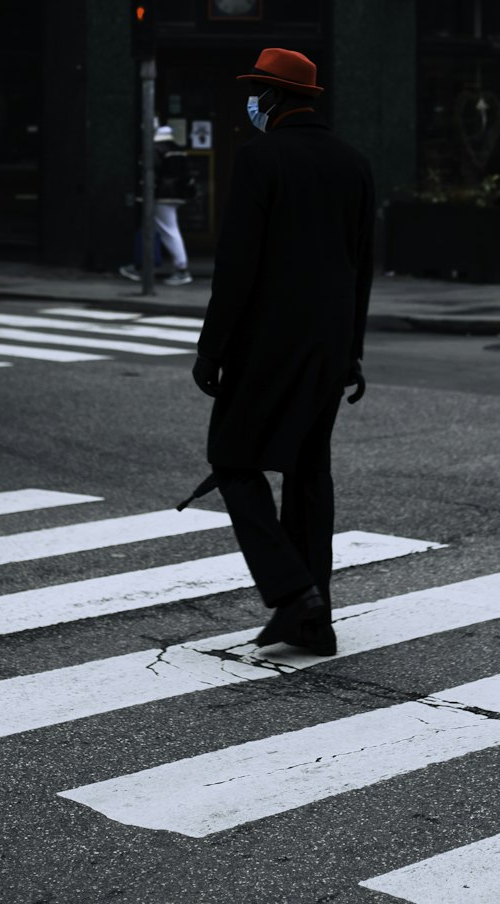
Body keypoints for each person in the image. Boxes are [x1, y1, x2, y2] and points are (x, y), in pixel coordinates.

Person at [181, 47, 375, 657]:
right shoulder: (354, 163)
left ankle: (292, 593)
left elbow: (236, 265)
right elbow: (361, 267)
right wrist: (352, 352)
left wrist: (211, 350)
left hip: (267, 342)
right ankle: (316, 622)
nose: (251, 106)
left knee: (233, 459)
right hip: (327, 345)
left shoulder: (261, 158)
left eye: (256, 94)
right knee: (308, 471)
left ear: (273, 98)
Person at [119, 123, 194, 286]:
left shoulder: (156, 148)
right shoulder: (176, 148)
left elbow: (150, 173)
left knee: (168, 230)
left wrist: (145, 195)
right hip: (176, 194)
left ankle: (181, 268)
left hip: (162, 195)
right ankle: (144, 266)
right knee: (155, 229)